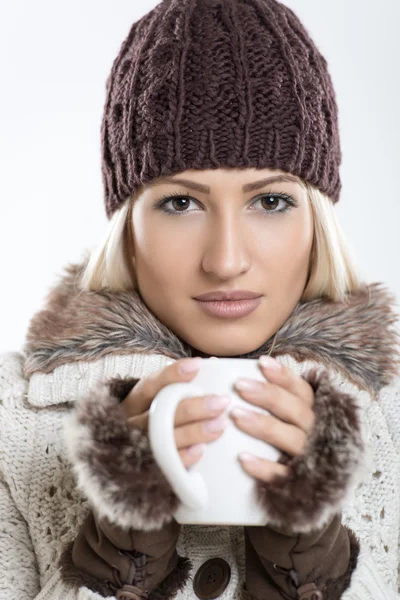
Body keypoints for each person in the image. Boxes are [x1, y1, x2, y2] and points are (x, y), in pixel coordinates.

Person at [1, 0, 399, 598]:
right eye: (180, 203)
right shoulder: (12, 420)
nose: (226, 259)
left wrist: (313, 561)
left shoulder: (390, 416)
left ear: (317, 220)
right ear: (127, 226)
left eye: (270, 201)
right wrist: (119, 553)